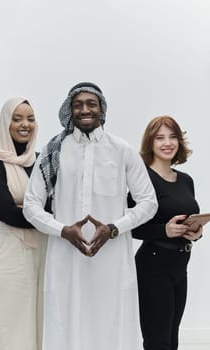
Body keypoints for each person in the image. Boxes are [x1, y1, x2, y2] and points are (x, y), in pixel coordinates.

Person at [23, 82, 158, 350]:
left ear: (102, 110)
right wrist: (62, 229)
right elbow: (31, 205)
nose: (85, 110)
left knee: (112, 325)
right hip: (65, 257)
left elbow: (148, 202)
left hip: (112, 258)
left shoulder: (122, 150)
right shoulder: (54, 151)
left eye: (91, 104)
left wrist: (114, 228)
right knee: (65, 326)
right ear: (70, 110)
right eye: (78, 105)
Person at [0, 98, 47, 350]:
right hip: (9, 254)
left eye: (30, 118)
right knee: (12, 329)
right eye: (17, 118)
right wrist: (42, 213)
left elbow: (56, 206)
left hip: (44, 252)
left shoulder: (42, 162)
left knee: (43, 326)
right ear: (5, 123)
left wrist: (34, 211)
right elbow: (7, 212)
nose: (24, 124)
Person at [128, 116, 202, 350]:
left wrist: (195, 233)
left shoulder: (186, 180)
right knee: (158, 341)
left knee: (172, 339)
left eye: (172, 137)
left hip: (180, 264)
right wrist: (164, 230)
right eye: (160, 138)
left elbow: (187, 219)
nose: (167, 143)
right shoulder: (143, 179)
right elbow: (132, 227)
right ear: (150, 143)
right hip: (153, 265)